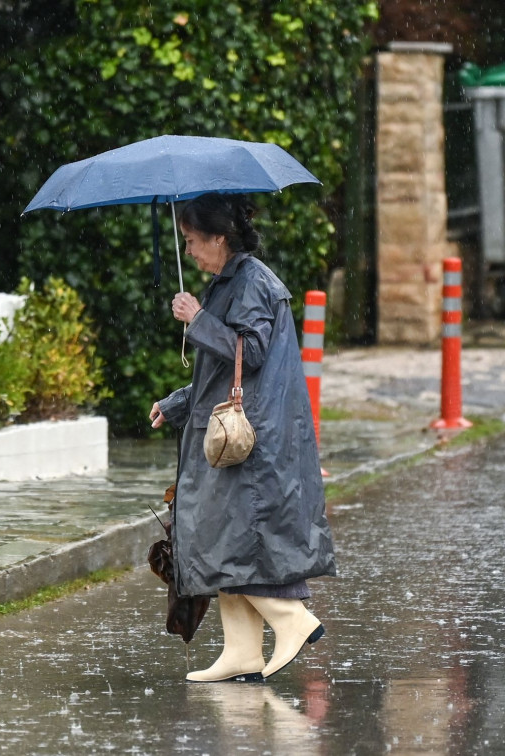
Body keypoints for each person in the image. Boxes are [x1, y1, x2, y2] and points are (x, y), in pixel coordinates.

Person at [149, 193, 337, 682]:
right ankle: (242, 652)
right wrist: (174, 403)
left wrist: (197, 319)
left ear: (218, 237)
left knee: (227, 540)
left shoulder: (252, 282)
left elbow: (249, 353)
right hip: (240, 431)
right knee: (226, 540)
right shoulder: (228, 282)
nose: (189, 251)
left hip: (253, 441)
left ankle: (292, 621)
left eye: (193, 241)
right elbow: (221, 373)